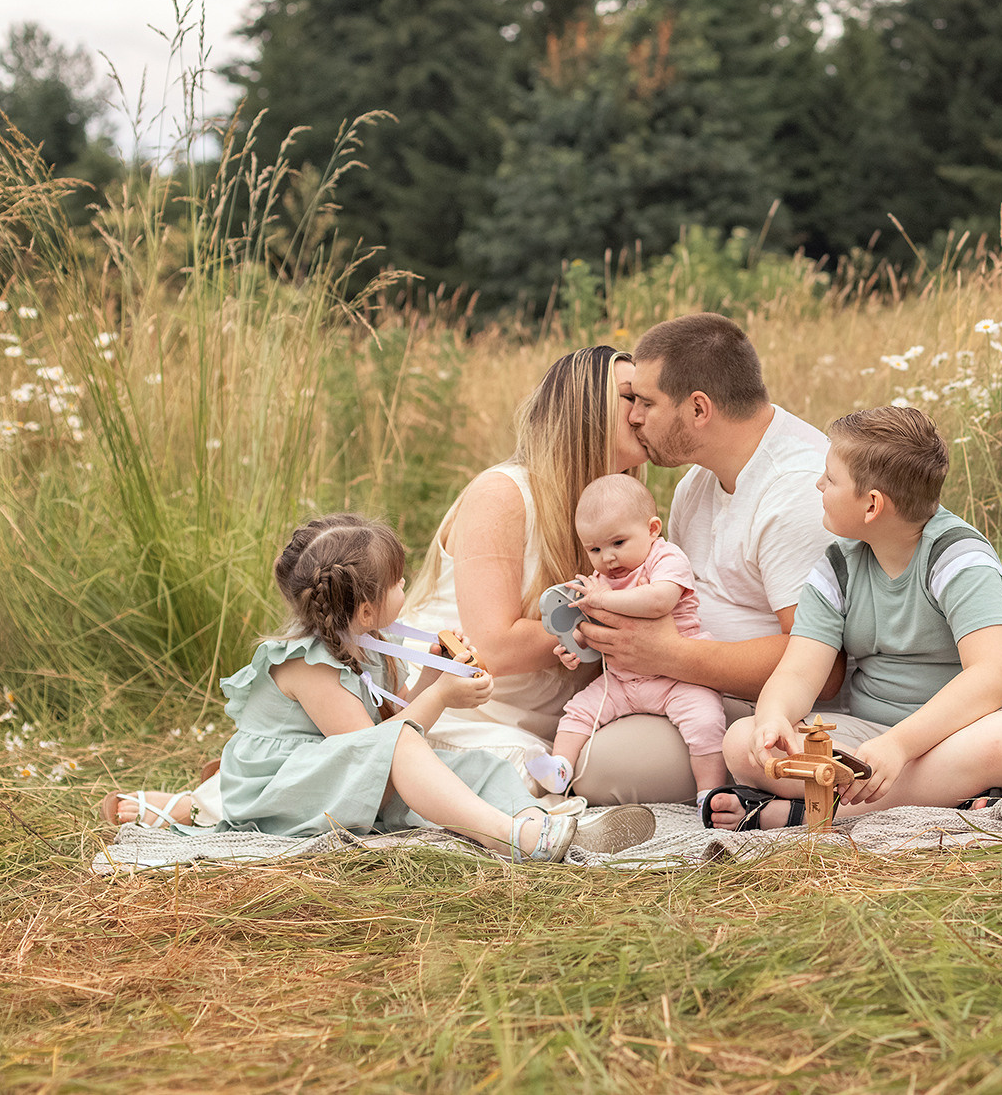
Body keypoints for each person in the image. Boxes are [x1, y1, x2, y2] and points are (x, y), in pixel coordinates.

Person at [102, 345, 647, 828]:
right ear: (585, 411)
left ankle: (263, 778)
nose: (644, 406)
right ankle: (232, 793)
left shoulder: (615, 514)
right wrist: (614, 621)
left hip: (474, 707)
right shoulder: (505, 494)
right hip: (471, 708)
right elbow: (494, 648)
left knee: (488, 770)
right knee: (488, 771)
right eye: (629, 396)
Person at [131, 513, 652, 858]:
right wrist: (441, 696)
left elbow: (384, 731)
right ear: (364, 607)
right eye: (401, 583)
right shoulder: (309, 667)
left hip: (340, 770)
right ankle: (510, 837)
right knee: (409, 749)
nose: (408, 588)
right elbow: (376, 747)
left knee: (475, 762)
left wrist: (431, 675)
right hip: (282, 785)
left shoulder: (371, 642)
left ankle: (537, 821)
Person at [705, 406, 1002, 830]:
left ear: (871, 506)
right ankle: (940, 800)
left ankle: (802, 812)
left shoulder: (958, 559)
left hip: (963, 736)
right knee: (743, 742)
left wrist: (898, 746)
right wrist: (774, 716)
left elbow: (992, 677)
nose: (818, 484)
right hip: (869, 739)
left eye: (830, 479)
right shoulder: (837, 567)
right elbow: (798, 673)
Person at [569, 313, 840, 804]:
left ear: (698, 409)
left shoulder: (797, 492)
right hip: (686, 687)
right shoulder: (698, 482)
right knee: (571, 731)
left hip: (772, 711)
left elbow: (827, 665)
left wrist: (670, 656)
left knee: (595, 767)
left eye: (645, 403)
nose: (632, 416)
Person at [538, 474, 727, 799]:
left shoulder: (665, 559)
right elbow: (593, 630)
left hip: (677, 677)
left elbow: (659, 601)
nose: (607, 558)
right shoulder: (599, 581)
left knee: (705, 720)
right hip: (623, 684)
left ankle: (711, 792)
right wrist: (576, 645)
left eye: (618, 543)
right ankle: (560, 770)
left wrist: (601, 600)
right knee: (577, 711)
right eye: (595, 549)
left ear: (653, 529)